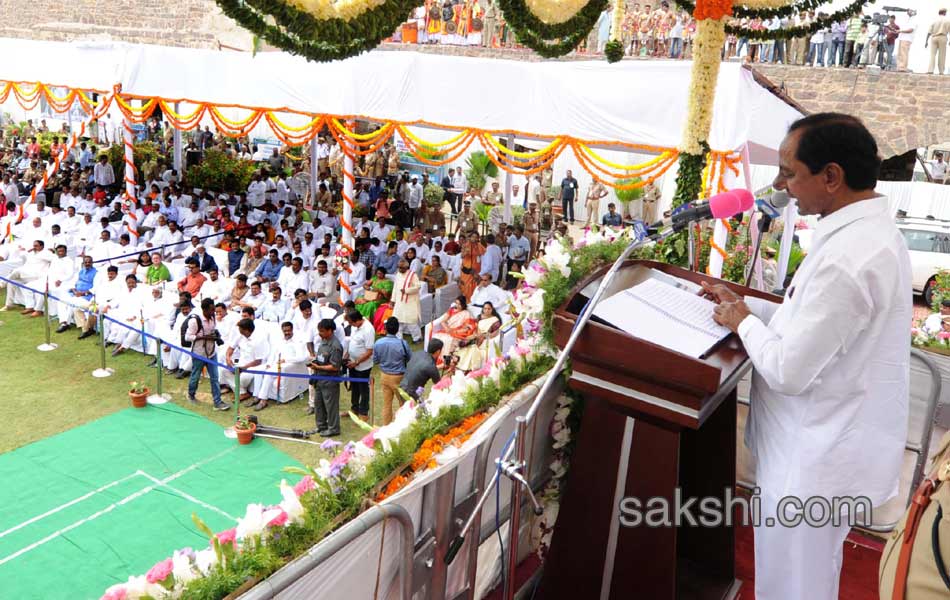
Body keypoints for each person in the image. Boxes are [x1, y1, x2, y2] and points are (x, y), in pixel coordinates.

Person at [702, 113, 910, 600]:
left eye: (789, 172)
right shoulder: (861, 233)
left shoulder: (850, 256)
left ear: (831, 177)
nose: (781, 185)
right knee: (801, 578)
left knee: (794, 584)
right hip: (823, 447)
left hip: (815, 459)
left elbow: (788, 369)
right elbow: (811, 323)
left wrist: (741, 322)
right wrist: (747, 306)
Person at [185, 298, 231, 410]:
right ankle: (191, 394)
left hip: (211, 353)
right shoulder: (195, 320)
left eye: (213, 310)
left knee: (215, 377)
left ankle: (217, 402)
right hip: (199, 353)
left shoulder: (213, 317)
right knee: (195, 376)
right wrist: (203, 337)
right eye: (211, 310)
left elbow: (213, 330)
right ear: (204, 309)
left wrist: (215, 336)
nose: (213, 312)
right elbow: (187, 337)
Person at [373, 317, 412, 425]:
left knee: (387, 404)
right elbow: (410, 359)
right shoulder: (403, 343)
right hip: (399, 377)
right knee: (403, 404)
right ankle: (404, 425)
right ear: (397, 329)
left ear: (385, 328)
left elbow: (375, 360)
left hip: (385, 376)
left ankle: (386, 427)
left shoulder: (378, 343)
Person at [309, 318, 344, 437]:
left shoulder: (335, 346)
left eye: (322, 331)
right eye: (319, 331)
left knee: (331, 406)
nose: (320, 333)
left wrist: (318, 368)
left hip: (330, 380)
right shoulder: (323, 341)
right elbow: (321, 358)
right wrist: (315, 363)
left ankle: (334, 429)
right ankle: (321, 426)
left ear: (330, 331)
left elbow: (335, 367)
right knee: (319, 404)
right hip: (319, 379)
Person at [345, 310, 376, 421]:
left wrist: (357, 362)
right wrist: (347, 355)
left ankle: (364, 412)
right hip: (352, 362)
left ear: (357, 320)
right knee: (354, 387)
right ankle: (354, 409)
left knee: (363, 389)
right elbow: (352, 342)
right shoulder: (355, 327)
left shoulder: (368, 330)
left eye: (352, 323)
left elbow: (369, 351)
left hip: (363, 365)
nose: (351, 325)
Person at [455, 301, 502, 372]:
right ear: (483, 309)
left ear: (492, 309)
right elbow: (475, 328)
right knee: (465, 344)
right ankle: (460, 367)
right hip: (476, 336)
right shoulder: (479, 317)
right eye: (485, 308)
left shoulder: (495, 321)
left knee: (473, 349)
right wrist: (475, 335)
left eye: (489, 309)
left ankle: (467, 369)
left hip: (485, 340)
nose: (486, 310)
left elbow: (493, 334)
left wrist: (483, 336)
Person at [392, 258, 422, 342]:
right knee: (397, 321)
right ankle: (398, 338)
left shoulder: (413, 275)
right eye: (399, 267)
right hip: (399, 302)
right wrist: (392, 300)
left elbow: (418, 287)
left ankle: (417, 338)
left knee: (411, 322)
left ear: (406, 267)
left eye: (402, 268)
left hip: (410, 302)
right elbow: (395, 287)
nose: (400, 269)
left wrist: (406, 290)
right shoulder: (398, 274)